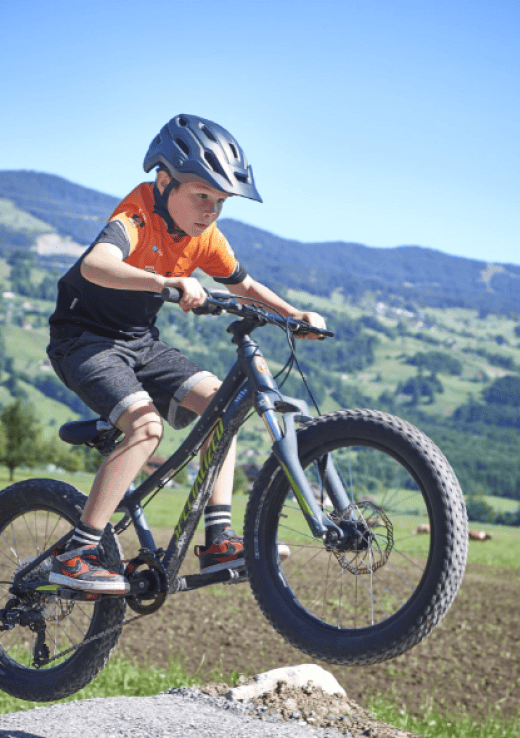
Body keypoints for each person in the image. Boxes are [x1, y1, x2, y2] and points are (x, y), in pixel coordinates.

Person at [46, 114, 326, 595]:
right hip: (84, 340)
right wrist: (164, 282)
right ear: (164, 182)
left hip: (139, 341)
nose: (211, 211)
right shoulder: (138, 213)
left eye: (220, 202)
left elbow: (244, 286)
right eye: (202, 196)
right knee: (146, 426)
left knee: (223, 407)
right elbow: (96, 264)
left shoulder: (204, 237)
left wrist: (293, 315)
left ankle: (219, 540)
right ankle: (77, 553)